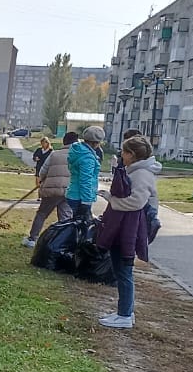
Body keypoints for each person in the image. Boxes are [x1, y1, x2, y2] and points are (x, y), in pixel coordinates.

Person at [94, 132, 158, 328]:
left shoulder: (141, 174)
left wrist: (111, 200)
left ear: (132, 154)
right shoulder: (133, 170)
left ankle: (124, 315)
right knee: (121, 270)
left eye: (124, 151)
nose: (121, 155)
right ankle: (125, 312)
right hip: (123, 225)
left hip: (129, 228)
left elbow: (136, 202)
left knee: (124, 271)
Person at [23, 135, 72, 247]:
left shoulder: (54, 154)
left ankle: (32, 239)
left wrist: (41, 180)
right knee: (65, 218)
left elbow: (43, 171)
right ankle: (63, 242)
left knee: (42, 214)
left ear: (63, 143)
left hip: (52, 190)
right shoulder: (78, 156)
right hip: (69, 191)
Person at [66, 124, 104, 222]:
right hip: (81, 197)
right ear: (96, 143)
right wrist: (86, 201)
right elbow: (86, 180)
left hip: (73, 193)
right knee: (81, 230)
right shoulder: (88, 158)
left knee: (73, 225)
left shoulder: (78, 150)